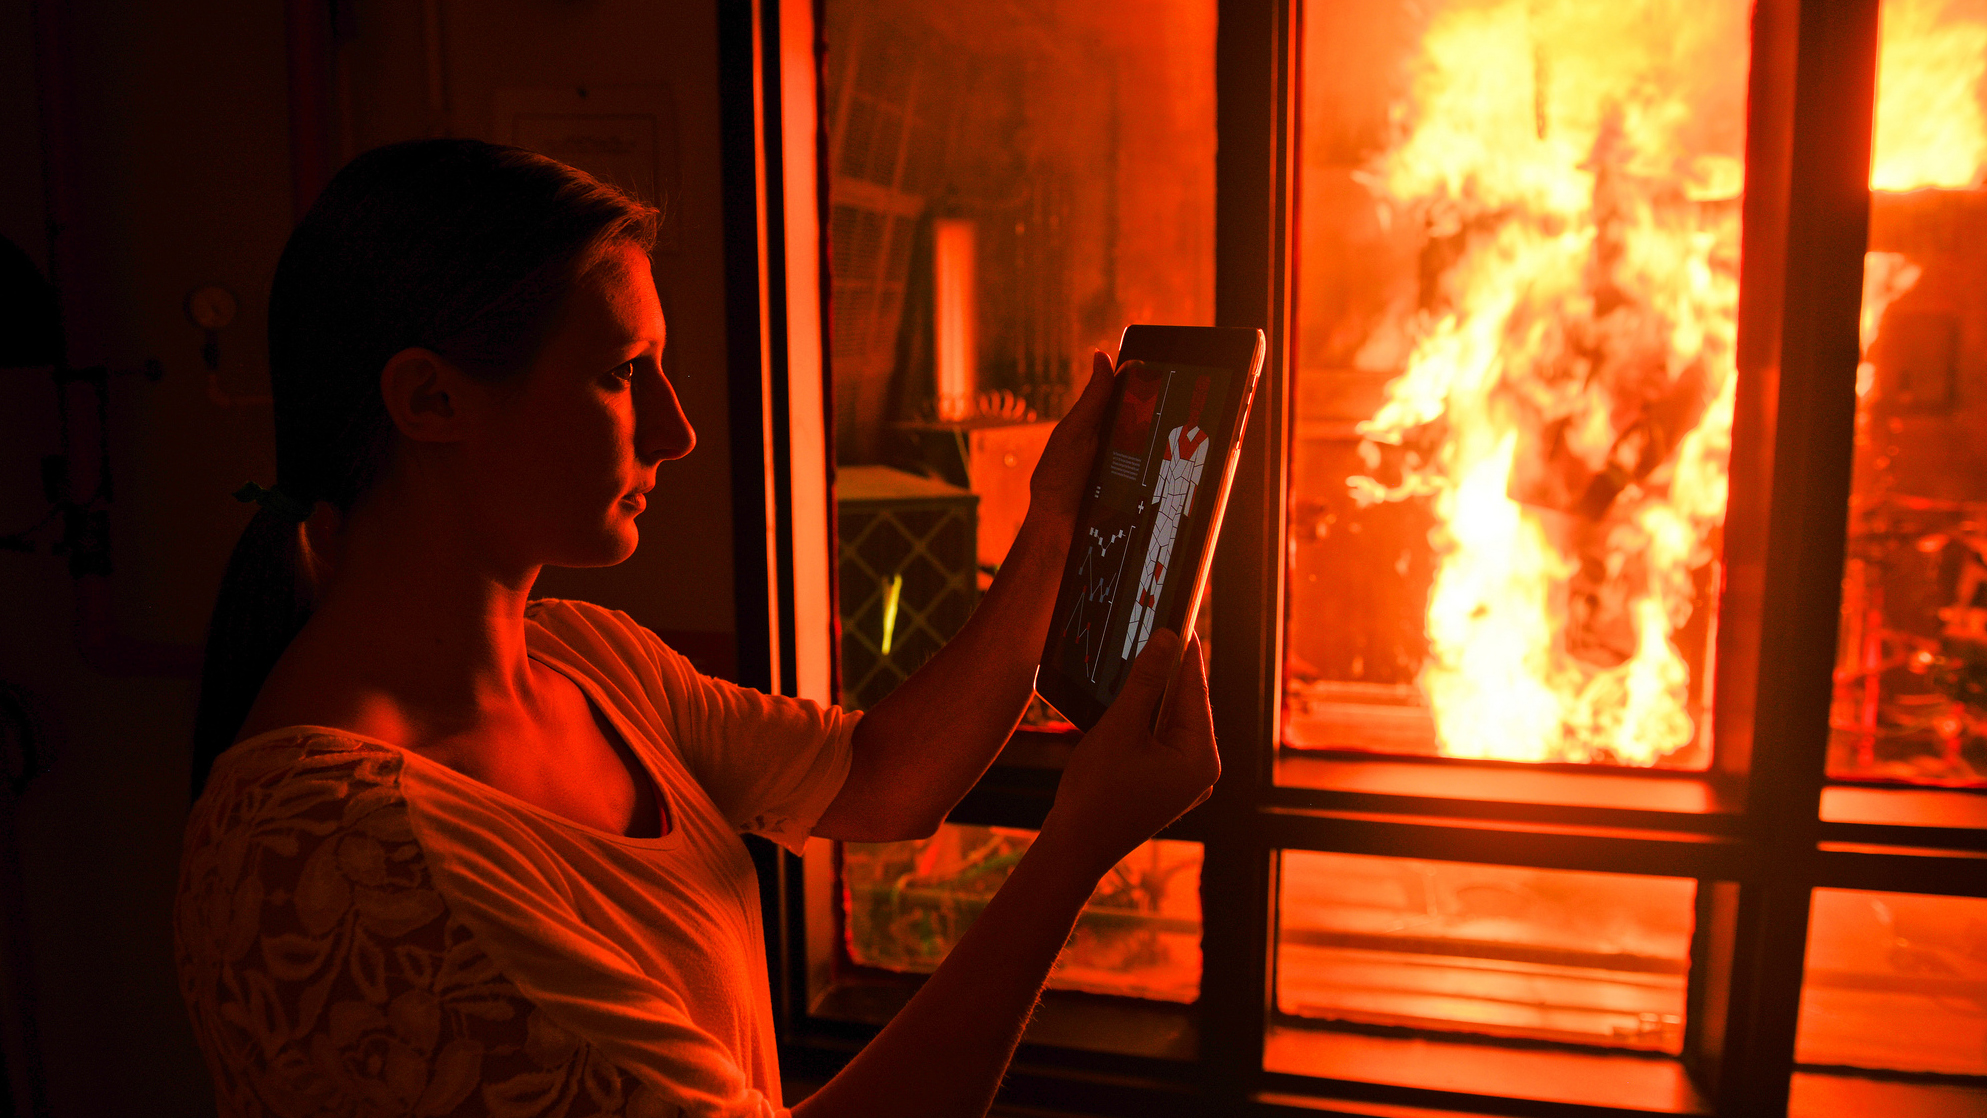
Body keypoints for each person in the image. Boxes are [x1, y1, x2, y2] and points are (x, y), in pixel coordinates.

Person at [174, 138, 1218, 1118]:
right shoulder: (337, 851)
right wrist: (1079, 841)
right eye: (621, 373)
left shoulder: (587, 656)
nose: (674, 431)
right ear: (431, 397)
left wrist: (1052, 529)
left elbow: (881, 778)